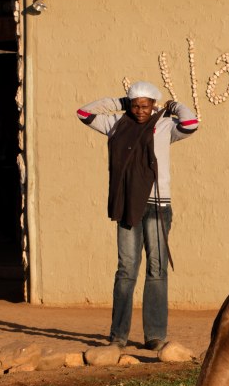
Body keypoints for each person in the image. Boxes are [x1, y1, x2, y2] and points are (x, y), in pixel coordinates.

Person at [76, 81, 199, 351]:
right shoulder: (116, 125)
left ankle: (155, 335)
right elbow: (84, 113)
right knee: (126, 270)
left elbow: (190, 123)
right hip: (127, 205)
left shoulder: (165, 126)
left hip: (157, 207)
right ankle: (118, 336)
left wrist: (174, 106)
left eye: (145, 105)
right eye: (135, 105)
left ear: (153, 104)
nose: (140, 110)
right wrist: (120, 103)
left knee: (157, 270)